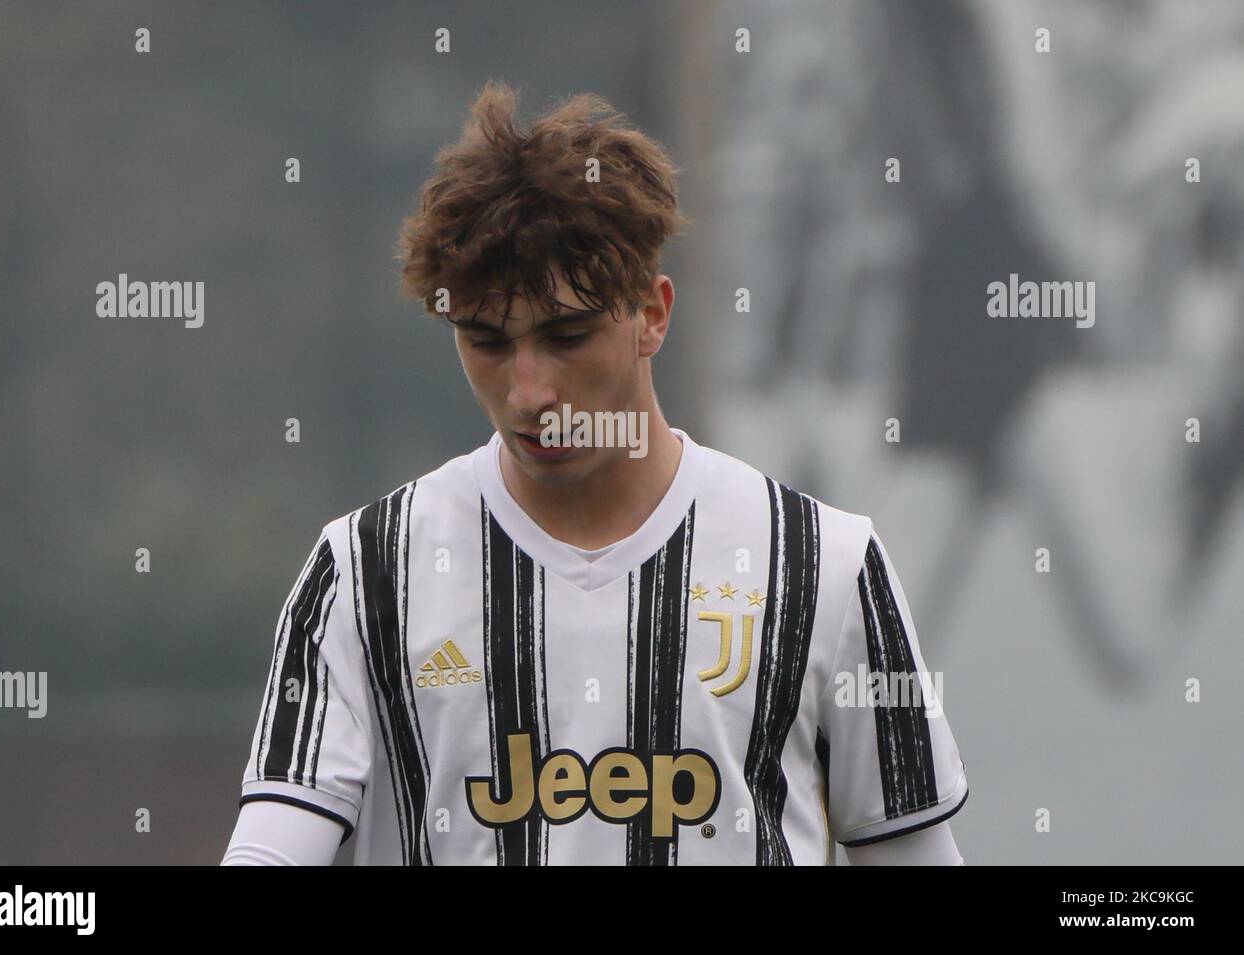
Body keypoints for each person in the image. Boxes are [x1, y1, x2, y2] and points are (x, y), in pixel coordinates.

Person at [223, 81, 968, 865]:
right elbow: (272, 851)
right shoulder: (365, 570)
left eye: (567, 334)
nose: (529, 391)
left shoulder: (826, 564)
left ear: (652, 313)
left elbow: (912, 854)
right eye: (486, 340)